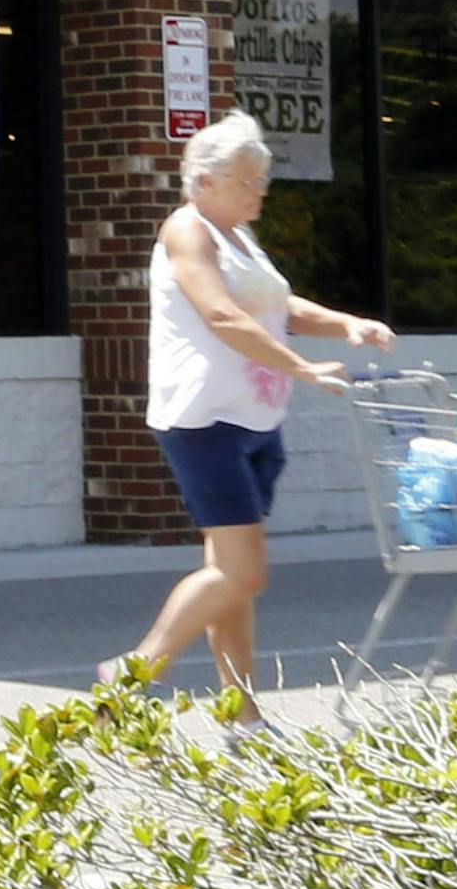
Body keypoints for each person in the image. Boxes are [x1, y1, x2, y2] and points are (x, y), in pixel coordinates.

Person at [101, 110, 393, 732]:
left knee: (230, 575)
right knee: (242, 571)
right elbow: (224, 317)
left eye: (262, 180)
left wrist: (345, 324)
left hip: (255, 421)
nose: (259, 190)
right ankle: (132, 672)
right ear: (203, 181)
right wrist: (305, 369)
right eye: (245, 180)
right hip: (205, 421)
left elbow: (273, 304)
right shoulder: (188, 229)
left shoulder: (237, 235)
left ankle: (243, 711)